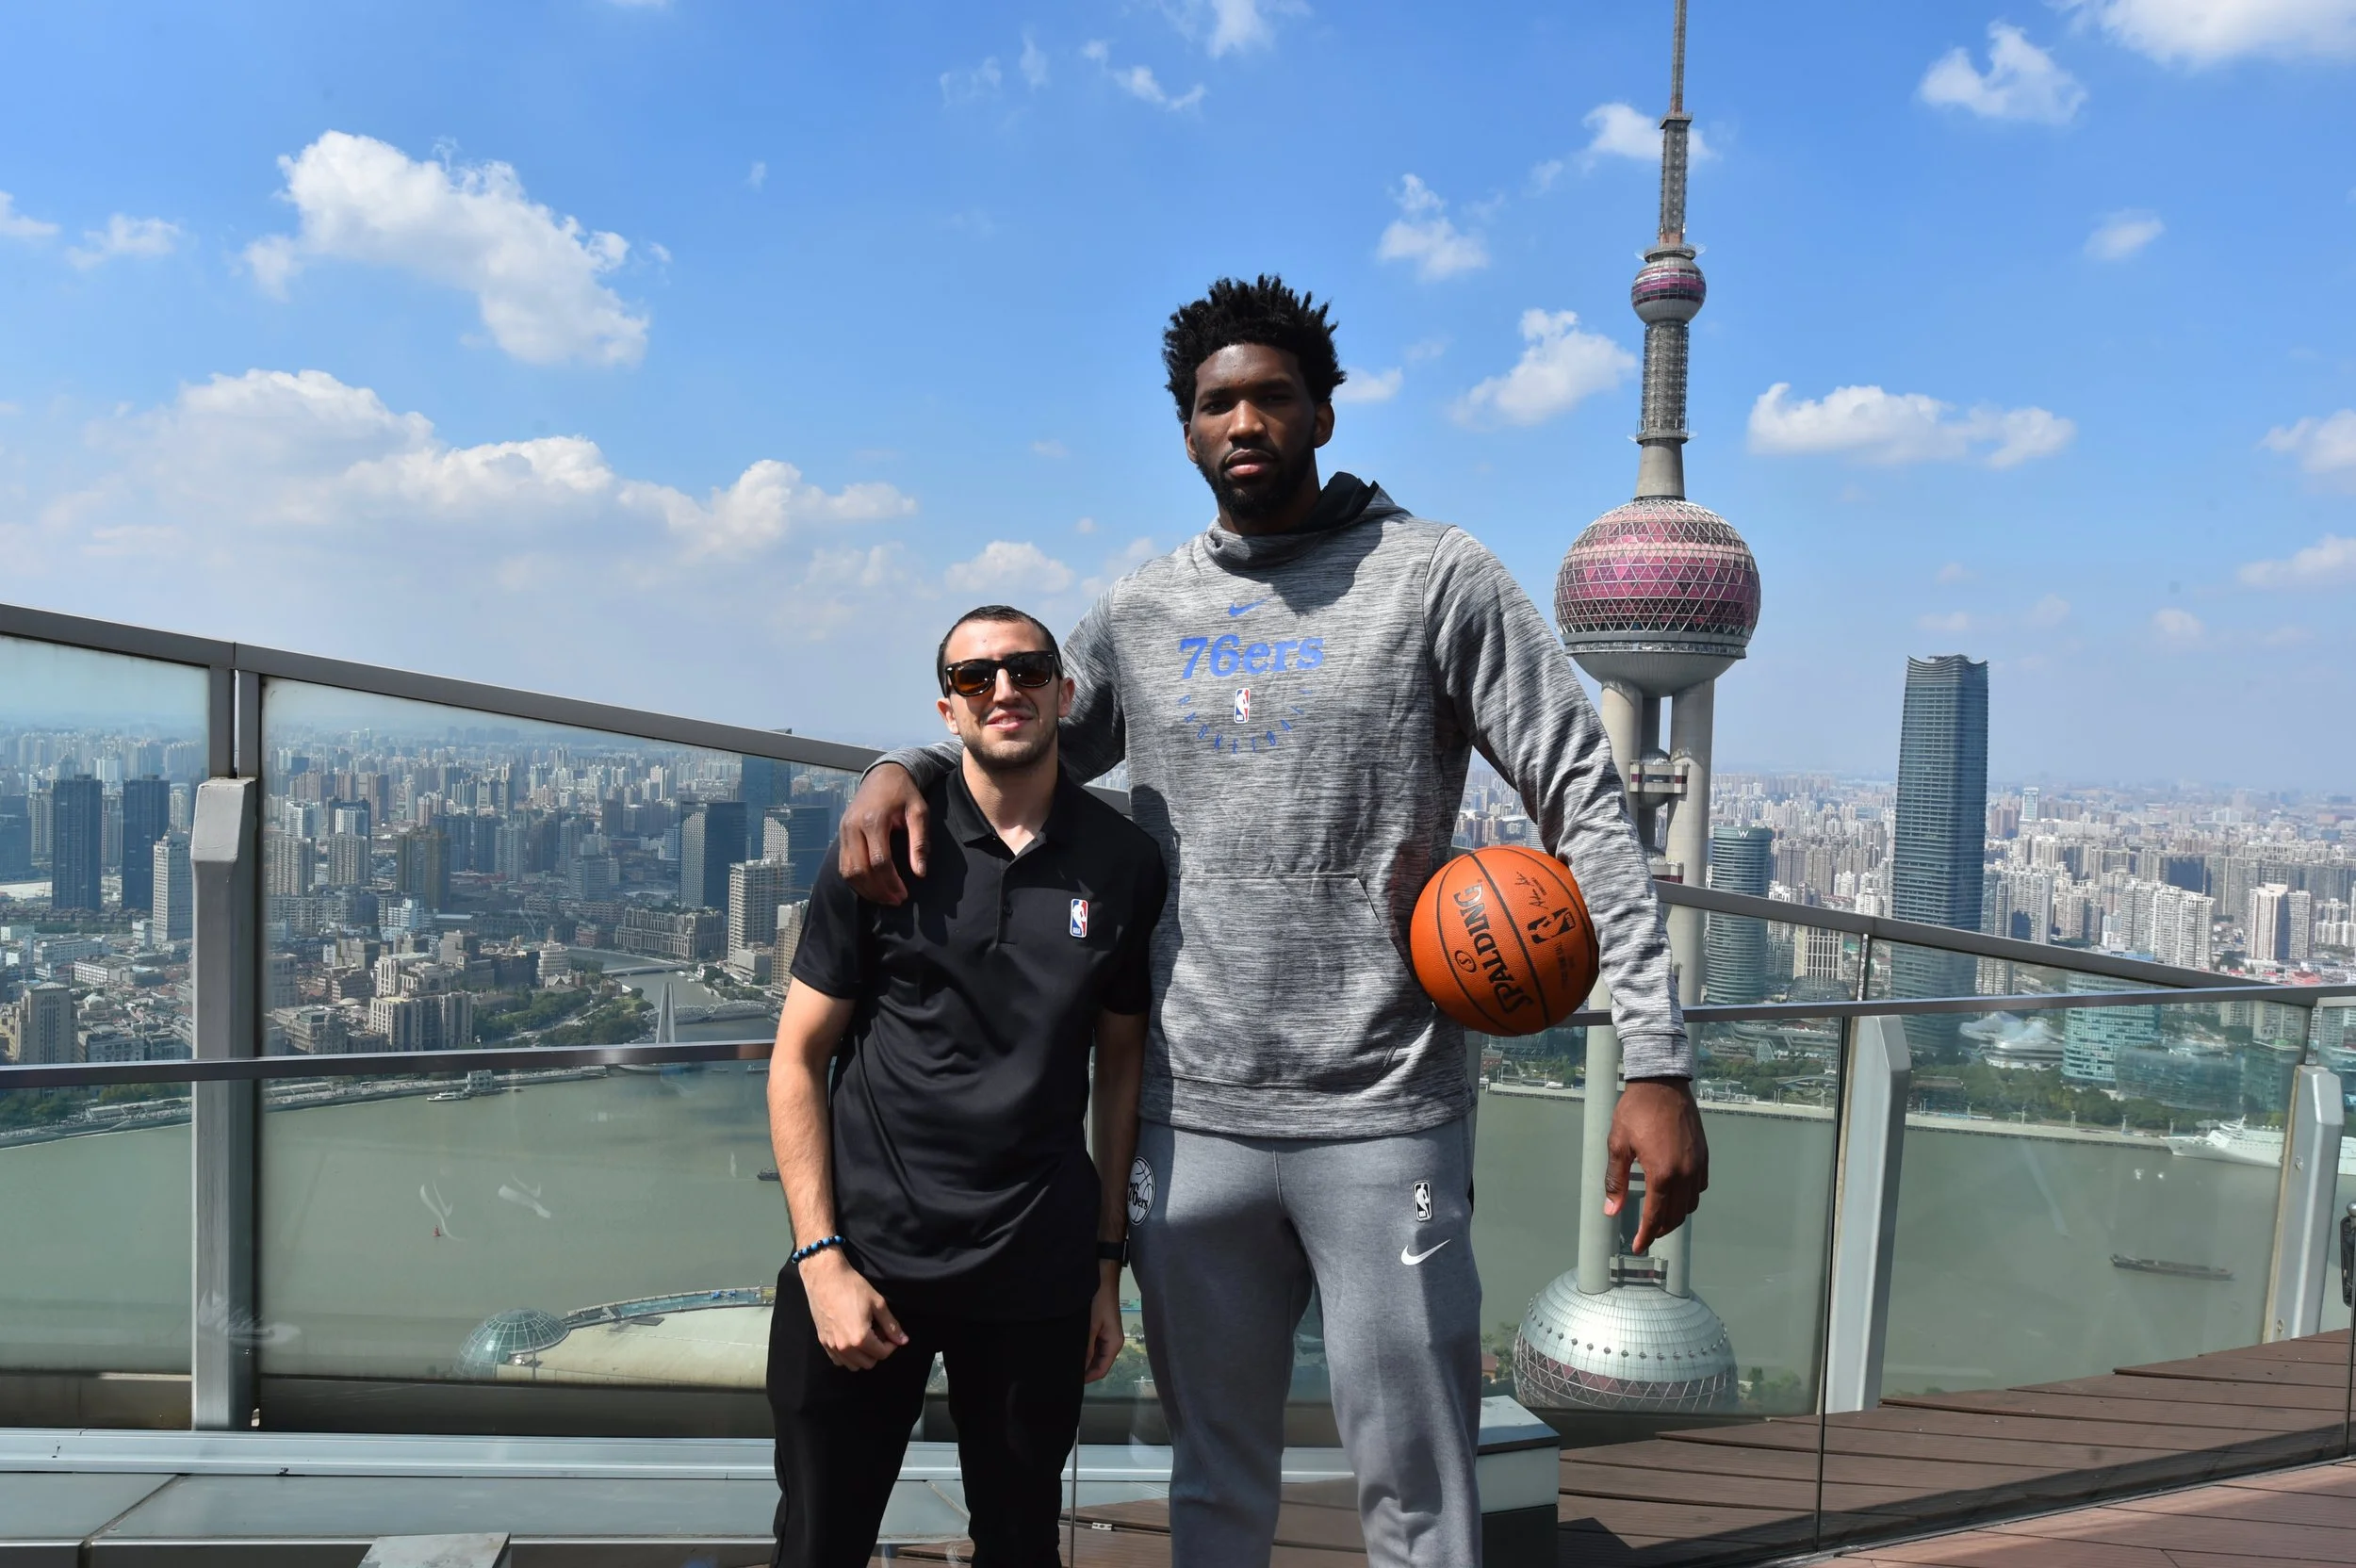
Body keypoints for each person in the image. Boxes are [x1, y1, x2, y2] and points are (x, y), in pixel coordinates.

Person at [839, 276, 1708, 1568]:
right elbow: (1025, 745)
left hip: (1388, 1114)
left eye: (1271, 397)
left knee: (1421, 1490)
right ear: (1186, 430)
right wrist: (903, 763)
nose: (1243, 421)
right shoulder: (1142, 612)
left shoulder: (1435, 578)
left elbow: (1581, 789)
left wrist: (1656, 1060)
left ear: (1323, 414)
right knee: (1215, 1481)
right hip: (1194, 1126)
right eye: (1215, 403)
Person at [764, 603, 1168, 1568]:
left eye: (1026, 670)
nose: (1003, 691)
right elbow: (796, 1058)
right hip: (869, 1262)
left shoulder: (1121, 864)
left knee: (1022, 1543)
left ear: (1064, 695)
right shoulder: (881, 845)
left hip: (1035, 1271)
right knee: (818, 1543)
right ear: (946, 710)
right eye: (975, 678)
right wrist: (821, 1260)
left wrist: (1105, 1264)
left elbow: (1120, 1070)